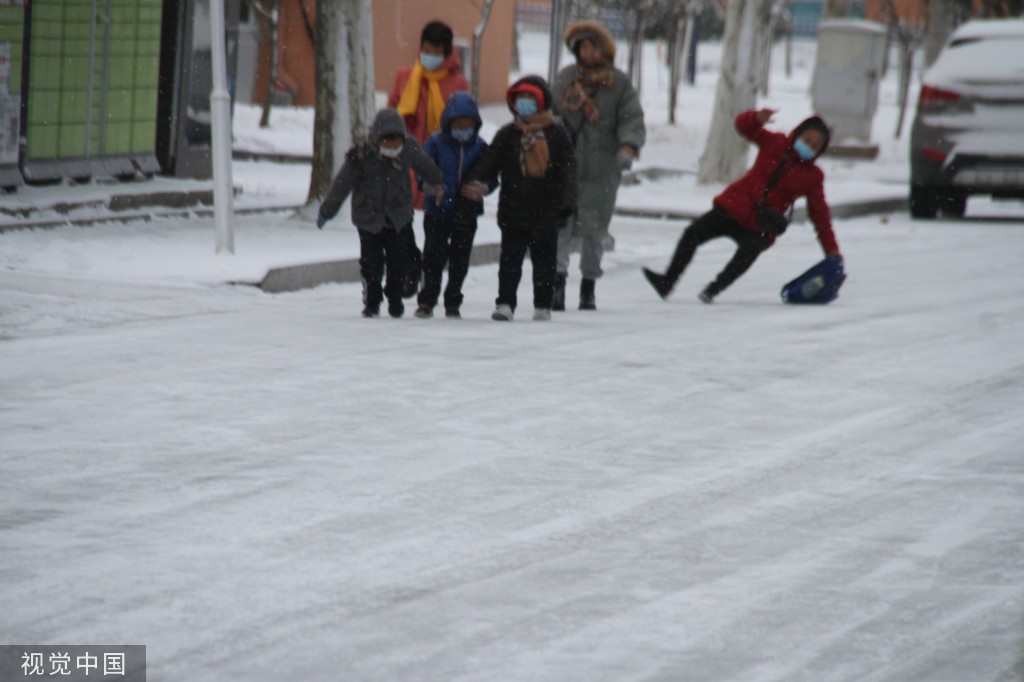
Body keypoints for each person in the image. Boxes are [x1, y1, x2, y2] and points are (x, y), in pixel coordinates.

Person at [642, 109, 843, 303]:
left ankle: (713, 289)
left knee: (745, 255)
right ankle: (667, 282)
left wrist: (831, 250)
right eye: (807, 140)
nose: (809, 147)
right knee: (692, 234)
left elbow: (820, 216)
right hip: (733, 208)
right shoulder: (775, 143)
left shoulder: (813, 177)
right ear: (798, 133)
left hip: (762, 224)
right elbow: (743, 126)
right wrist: (756, 118)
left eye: (815, 147)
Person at [462, 76, 576, 322]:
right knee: (510, 261)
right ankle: (505, 303)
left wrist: (566, 205)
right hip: (514, 210)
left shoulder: (557, 134)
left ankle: (543, 304)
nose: (524, 105)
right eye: (520, 100)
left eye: (530, 100)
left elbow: (569, 171)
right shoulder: (508, 134)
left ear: (542, 101)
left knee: (545, 263)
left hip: (547, 212)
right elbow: (490, 162)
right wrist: (474, 182)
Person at [552, 19, 646, 311]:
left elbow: (631, 117)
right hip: (567, 164)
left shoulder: (617, 83)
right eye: (583, 47)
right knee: (561, 225)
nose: (588, 52)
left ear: (604, 50)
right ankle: (556, 284)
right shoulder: (566, 78)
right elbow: (550, 111)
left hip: (603, 167)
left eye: (594, 46)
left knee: (594, 229)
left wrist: (628, 147)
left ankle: (588, 287)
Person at [316, 109, 443, 319]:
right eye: (387, 143)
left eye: (397, 144)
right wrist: (326, 212)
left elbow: (428, 168)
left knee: (398, 263)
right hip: (368, 218)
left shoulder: (409, 148)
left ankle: (395, 299)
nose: (393, 148)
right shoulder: (361, 154)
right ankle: (372, 302)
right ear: (377, 139)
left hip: (398, 217)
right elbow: (342, 184)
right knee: (371, 263)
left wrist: (439, 183)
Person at [388, 20, 471, 300]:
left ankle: (429, 267)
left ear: (447, 52)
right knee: (399, 214)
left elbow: (464, 120)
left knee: (434, 221)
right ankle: (411, 262)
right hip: (404, 156)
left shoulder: (458, 82)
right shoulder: (406, 75)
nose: (429, 54)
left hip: (438, 159)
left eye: (435, 50)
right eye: (425, 48)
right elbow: (391, 111)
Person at [413, 92, 497, 320]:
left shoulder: (481, 147)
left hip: (466, 213)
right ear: (448, 123)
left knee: (460, 259)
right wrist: (431, 186)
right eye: (458, 125)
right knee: (433, 257)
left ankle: (453, 300)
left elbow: (492, 177)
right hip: (437, 212)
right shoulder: (435, 143)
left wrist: (483, 188)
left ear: (475, 125)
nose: (462, 131)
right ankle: (427, 300)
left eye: (467, 126)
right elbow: (423, 170)